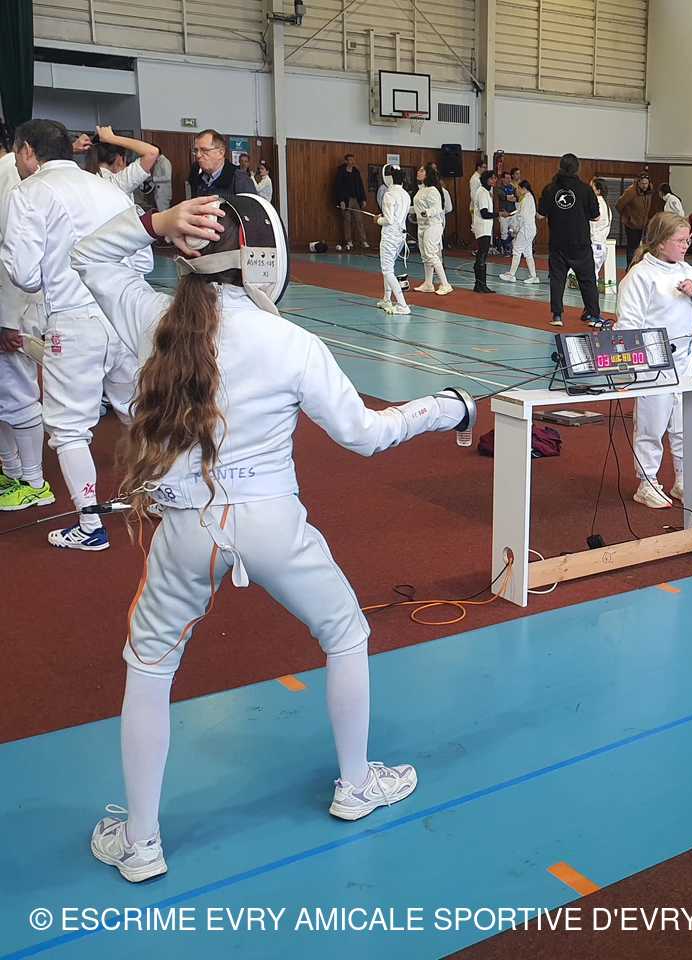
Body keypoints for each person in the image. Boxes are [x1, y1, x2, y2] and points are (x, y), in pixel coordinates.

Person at [68, 192, 477, 883]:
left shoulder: (152, 320)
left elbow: (90, 257)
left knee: (151, 667)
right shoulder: (290, 343)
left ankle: (141, 843)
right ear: (265, 260)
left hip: (183, 528)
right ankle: (356, 785)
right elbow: (364, 435)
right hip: (272, 525)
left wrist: (156, 225)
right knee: (344, 634)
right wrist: (442, 409)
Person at [1, 119, 154, 550]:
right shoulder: (107, 188)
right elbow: (143, 260)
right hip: (123, 314)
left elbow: (24, 274)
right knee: (136, 409)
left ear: (27, 151)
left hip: (73, 319)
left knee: (69, 428)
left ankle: (90, 525)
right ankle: (161, 493)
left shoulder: (30, 192)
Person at [613, 212, 692, 509]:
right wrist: (629, 368)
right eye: (680, 240)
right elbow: (628, 325)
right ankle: (647, 483)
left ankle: (683, 479)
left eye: (688, 240)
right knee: (652, 424)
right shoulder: (639, 276)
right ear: (660, 243)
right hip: (653, 361)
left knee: (684, 423)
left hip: (684, 358)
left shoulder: (688, 271)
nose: (686, 245)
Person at [0, 122, 52, 512]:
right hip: (13, 302)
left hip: (16, 305)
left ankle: (33, 481)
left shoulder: (11, 177)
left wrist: (7, 320)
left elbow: (15, 257)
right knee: (5, 396)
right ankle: (13, 470)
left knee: (16, 390)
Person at [539, 153, 602, 327]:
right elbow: (596, 216)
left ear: (560, 167)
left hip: (558, 242)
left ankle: (557, 316)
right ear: (577, 169)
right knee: (587, 280)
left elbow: (540, 214)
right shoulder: (585, 190)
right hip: (580, 241)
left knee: (557, 279)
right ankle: (594, 316)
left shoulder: (550, 189)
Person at [412, 166, 453, 295]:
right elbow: (416, 209)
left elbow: (437, 208)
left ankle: (445, 284)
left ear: (428, 174)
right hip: (422, 226)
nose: (418, 172)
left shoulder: (433, 190)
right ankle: (428, 284)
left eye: (422, 171)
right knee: (425, 256)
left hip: (433, 225)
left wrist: (427, 212)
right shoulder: (421, 190)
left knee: (431, 254)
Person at [375, 165, 410, 315]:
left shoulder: (389, 195)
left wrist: (378, 220)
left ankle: (402, 305)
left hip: (390, 237)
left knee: (387, 270)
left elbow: (388, 220)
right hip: (401, 237)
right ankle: (387, 299)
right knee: (389, 268)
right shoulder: (406, 195)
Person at [87, 126, 160, 197]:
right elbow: (152, 152)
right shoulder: (117, 183)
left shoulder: (87, 178)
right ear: (120, 160)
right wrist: (111, 138)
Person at [186, 130, 255, 201]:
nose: (198, 155)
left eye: (204, 150)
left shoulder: (240, 179)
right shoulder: (198, 179)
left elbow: (252, 207)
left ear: (221, 152)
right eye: (196, 151)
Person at [499, 179, 539, 285]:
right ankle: (533, 276)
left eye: (518, 189)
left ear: (523, 188)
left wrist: (515, 229)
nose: (517, 191)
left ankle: (511, 275)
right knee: (528, 252)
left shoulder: (527, 199)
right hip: (530, 229)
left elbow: (522, 217)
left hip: (525, 229)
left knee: (517, 250)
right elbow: (520, 213)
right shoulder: (528, 198)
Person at [334, 153, 368, 252]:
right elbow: (338, 187)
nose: (352, 162)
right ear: (346, 161)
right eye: (350, 160)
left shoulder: (356, 172)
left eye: (353, 160)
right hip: (346, 200)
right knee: (347, 220)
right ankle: (349, 241)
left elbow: (360, 186)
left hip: (356, 199)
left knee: (359, 220)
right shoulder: (341, 172)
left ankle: (363, 241)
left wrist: (363, 199)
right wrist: (341, 201)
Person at [471, 170, 497, 295]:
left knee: (482, 254)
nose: (494, 180)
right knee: (482, 254)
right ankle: (481, 284)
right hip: (482, 227)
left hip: (485, 227)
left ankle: (480, 284)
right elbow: (484, 213)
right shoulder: (482, 192)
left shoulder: (485, 192)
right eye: (492, 178)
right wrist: (498, 214)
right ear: (486, 180)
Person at [617, 174, 654, 263]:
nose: (645, 186)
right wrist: (628, 218)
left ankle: (636, 264)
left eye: (646, 183)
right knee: (632, 247)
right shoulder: (631, 191)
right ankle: (630, 266)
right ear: (639, 182)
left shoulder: (649, 191)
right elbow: (619, 205)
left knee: (639, 246)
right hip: (631, 224)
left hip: (642, 224)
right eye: (643, 183)